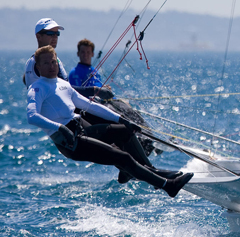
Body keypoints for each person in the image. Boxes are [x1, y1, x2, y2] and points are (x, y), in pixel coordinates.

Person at [27, 45, 193, 198]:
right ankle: (167, 185)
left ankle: (143, 172)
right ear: (38, 67)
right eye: (46, 63)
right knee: (122, 157)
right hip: (70, 141)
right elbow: (32, 116)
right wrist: (60, 128)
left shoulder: (62, 84)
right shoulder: (37, 88)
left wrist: (121, 119)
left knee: (124, 131)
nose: (51, 66)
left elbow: (90, 106)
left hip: (81, 129)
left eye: (53, 61)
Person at [24, 18, 113, 100]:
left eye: (57, 34)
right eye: (50, 34)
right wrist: (94, 90)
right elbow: (63, 89)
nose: (55, 37)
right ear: (38, 37)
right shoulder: (39, 61)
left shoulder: (48, 60)